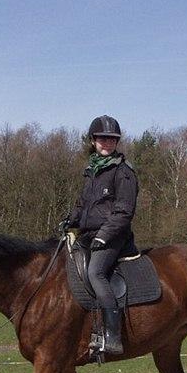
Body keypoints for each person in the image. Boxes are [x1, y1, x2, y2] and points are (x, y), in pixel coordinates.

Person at [66, 115, 139, 355]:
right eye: (102, 138)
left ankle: (112, 336)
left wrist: (104, 235)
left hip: (113, 236)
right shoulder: (91, 171)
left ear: (116, 142)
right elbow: (83, 205)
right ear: (93, 140)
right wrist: (70, 220)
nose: (106, 143)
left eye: (111, 139)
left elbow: (124, 211)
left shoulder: (123, 172)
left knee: (95, 273)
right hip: (88, 235)